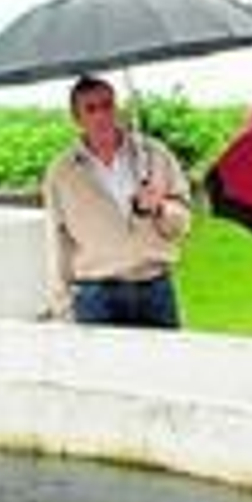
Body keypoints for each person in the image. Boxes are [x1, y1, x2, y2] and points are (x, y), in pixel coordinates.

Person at [42, 74, 191, 327]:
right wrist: (61, 304)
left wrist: (160, 208)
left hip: (155, 288)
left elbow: (183, 226)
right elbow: (56, 241)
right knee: (101, 368)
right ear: (76, 118)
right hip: (95, 296)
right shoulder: (61, 172)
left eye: (107, 105)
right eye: (91, 109)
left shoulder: (155, 155)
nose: (101, 115)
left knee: (167, 366)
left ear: (117, 107)